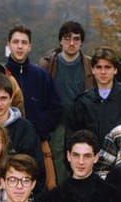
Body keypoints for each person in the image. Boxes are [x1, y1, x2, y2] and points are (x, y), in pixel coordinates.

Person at [38, 21, 94, 184]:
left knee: (80, 162)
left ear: (81, 42)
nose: (71, 43)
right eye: (67, 38)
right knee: (56, 162)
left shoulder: (90, 65)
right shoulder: (48, 64)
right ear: (60, 41)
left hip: (81, 124)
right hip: (55, 125)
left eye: (76, 39)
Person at [5, 24, 62, 145]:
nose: (20, 46)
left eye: (24, 42)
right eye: (15, 42)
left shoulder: (41, 76)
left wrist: (41, 131)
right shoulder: (1, 75)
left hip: (36, 141)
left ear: (29, 47)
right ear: (8, 45)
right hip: (5, 140)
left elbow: (55, 108)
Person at [69, 47, 121, 141]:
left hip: (120, 148)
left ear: (115, 70)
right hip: (91, 149)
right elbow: (74, 134)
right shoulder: (83, 101)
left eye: (107, 67)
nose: (103, 72)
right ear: (93, 70)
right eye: (99, 67)